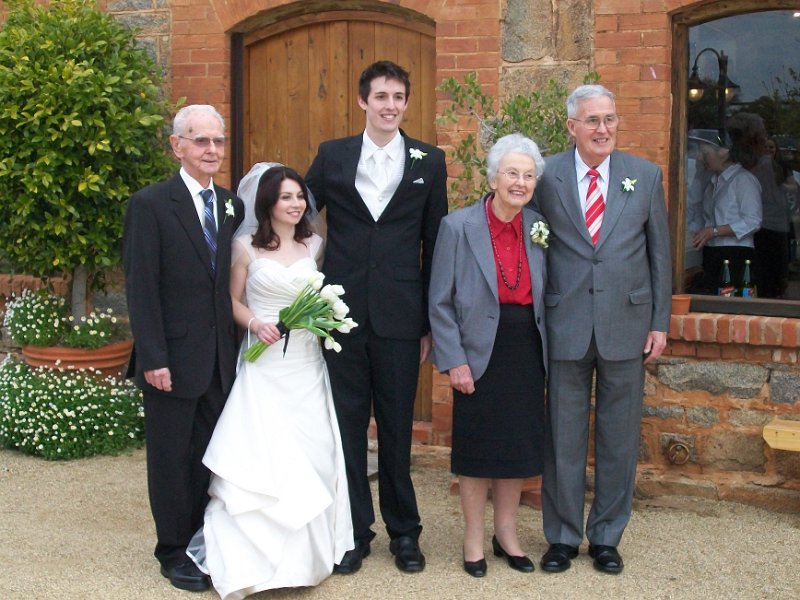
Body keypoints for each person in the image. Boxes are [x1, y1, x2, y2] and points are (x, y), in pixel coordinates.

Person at [305, 60, 448, 574]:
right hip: (339, 316)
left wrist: (431, 321)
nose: (390, 105)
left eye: (398, 97)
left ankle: (405, 534)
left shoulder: (428, 162)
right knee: (346, 428)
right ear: (363, 101)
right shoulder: (333, 155)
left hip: (401, 318)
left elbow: (436, 244)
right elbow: (296, 214)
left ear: (406, 103)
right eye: (381, 96)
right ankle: (353, 532)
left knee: (395, 428)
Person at [186, 165, 354, 598]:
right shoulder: (244, 246)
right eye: (286, 197)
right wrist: (256, 324)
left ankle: (305, 558)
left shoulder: (314, 244)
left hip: (306, 363)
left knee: (310, 453)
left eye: (300, 196)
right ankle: (251, 559)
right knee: (262, 455)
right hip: (264, 366)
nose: (296, 204)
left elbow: (319, 296)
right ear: (268, 204)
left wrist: (322, 320)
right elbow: (231, 299)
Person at [532, 84, 672, 574]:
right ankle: (563, 536)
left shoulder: (644, 175)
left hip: (627, 325)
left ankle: (608, 536)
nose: (603, 129)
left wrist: (659, 321)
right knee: (562, 438)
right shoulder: (545, 175)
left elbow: (660, 254)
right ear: (571, 126)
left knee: (619, 437)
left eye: (610, 119)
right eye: (592, 120)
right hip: (564, 322)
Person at [123, 104, 244, 591]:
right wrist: (153, 357)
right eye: (201, 141)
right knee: (171, 459)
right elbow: (140, 285)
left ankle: (203, 540)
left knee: (210, 455)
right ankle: (172, 550)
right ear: (178, 146)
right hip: (171, 359)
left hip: (223, 360)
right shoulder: (150, 205)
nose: (211, 150)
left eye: (218, 141)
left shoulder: (233, 204)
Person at [428, 133, 549, 578]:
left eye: (528, 175)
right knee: (478, 450)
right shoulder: (458, 226)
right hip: (478, 352)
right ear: (493, 176)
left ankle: (507, 533)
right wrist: (453, 358)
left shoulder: (539, 226)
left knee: (515, 448)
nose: (519, 182)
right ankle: (474, 539)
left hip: (525, 349)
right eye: (511, 173)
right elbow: (439, 300)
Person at [688, 126, 762, 295]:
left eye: (705, 153)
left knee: (732, 305)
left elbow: (753, 221)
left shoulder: (744, 180)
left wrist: (714, 232)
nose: (700, 158)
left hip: (736, 254)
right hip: (712, 253)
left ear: (724, 152)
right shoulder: (712, 182)